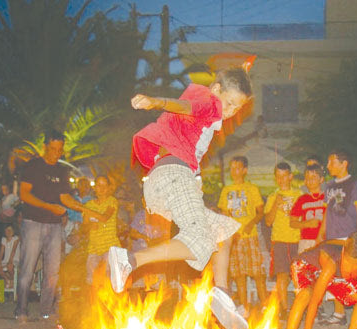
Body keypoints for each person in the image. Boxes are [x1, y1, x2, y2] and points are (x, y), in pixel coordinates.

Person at [106, 68, 251, 310]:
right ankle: (129, 260)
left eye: (237, 108)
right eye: (230, 103)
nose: (230, 111)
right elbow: (185, 107)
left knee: (223, 231)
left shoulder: (207, 106)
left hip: (168, 180)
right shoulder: (210, 102)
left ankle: (222, 295)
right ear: (217, 90)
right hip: (173, 175)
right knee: (199, 241)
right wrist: (156, 102)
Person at [15, 132, 94, 321]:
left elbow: (65, 198)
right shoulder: (33, 166)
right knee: (28, 268)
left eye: (60, 150)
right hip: (33, 222)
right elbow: (24, 195)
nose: (56, 153)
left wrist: (84, 209)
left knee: (52, 271)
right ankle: (21, 310)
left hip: (54, 225)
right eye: (53, 149)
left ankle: (46, 309)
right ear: (45, 146)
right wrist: (49, 206)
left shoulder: (61, 171)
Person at [278, 231, 357, 329]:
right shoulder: (331, 264)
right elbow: (315, 302)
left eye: (356, 266)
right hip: (306, 267)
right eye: (349, 263)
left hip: (330, 273)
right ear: (344, 253)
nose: (351, 269)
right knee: (306, 294)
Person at [315, 149, 357, 325]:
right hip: (332, 236)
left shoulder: (354, 184)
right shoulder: (329, 186)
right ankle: (339, 313)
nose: (328, 166)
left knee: (351, 274)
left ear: (344, 163)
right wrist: (321, 233)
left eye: (332, 162)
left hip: (348, 235)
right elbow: (326, 212)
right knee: (335, 274)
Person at [218, 156, 266, 315]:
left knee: (256, 272)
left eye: (237, 168)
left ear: (245, 170)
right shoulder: (226, 191)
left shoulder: (252, 189)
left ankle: (265, 304)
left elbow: (260, 212)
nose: (234, 171)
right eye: (231, 168)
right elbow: (224, 214)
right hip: (235, 237)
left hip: (250, 236)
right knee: (239, 274)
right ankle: (244, 306)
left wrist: (251, 223)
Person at [264, 162, 302, 315]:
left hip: (297, 240)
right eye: (278, 176)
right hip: (279, 240)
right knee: (282, 274)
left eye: (284, 176)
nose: (281, 179)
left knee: (299, 276)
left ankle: (300, 306)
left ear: (290, 176)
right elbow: (268, 221)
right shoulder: (273, 196)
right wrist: (275, 204)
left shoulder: (299, 195)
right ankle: (285, 309)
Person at [83, 175, 120, 284]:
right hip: (93, 247)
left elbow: (104, 217)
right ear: (94, 188)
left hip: (110, 246)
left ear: (109, 188)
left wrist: (85, 210)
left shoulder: (112, 201)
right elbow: (84, 226)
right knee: (92, 279)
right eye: (99, 185)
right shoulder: (89, 204)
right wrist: (90, 225)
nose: (102, 188)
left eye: (105, 185)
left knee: (108, 278)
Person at [290, 163, 326, 254]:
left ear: (321, 179)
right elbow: (292, 223)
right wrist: (306, 224)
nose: (310, 180)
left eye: (313, 177)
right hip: (306, 241)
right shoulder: (302, 199)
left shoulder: (327, 197)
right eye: (307, 178)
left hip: (324, 240)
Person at [0, 223, 20, 291]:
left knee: (10, 266)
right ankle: (7, 280)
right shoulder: (3, 239)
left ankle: (14, 281)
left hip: (15, 260)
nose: (9, 232)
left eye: (10, 230)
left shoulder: (16, 238)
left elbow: (13, 250)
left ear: (13, 231)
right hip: (6, 260)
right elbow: (1, 252)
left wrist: (10, 261)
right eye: (7, 230)